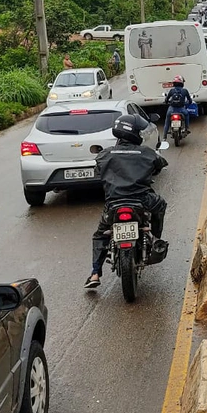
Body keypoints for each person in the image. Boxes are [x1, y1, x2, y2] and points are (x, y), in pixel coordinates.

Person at [87, 115, 167, 289]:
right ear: (135, 133)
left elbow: (97, 171)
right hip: (142, 201)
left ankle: (94, 273)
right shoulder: (146, 152)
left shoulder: (105, 154)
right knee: (160, 205)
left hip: (114, 203)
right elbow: (160, 164)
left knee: (101, 234)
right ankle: (156, 237)